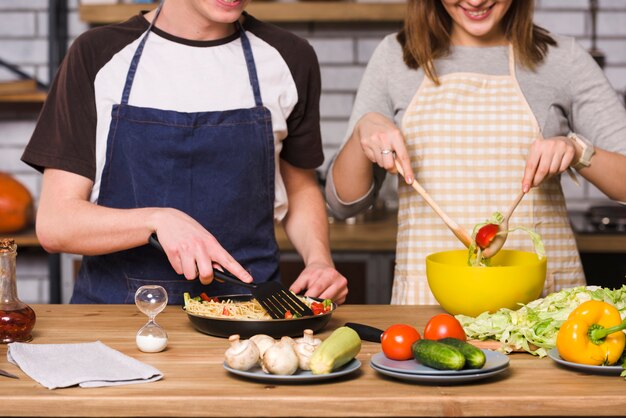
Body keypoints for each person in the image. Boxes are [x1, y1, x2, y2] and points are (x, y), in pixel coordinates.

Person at [21, 0, 348, 305]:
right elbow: (56, 224)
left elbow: (300, 187)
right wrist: (157, 220)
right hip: (117, 315)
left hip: (249, 313)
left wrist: (320, 260)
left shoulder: (290, 57)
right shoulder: (97, 54)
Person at [326, 0, 626, 305]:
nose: (475, 0)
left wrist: (576, 149)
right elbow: (343, 203)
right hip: (429, 306)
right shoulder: (396, 57)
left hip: (539, 306)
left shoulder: (562, 59)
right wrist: (364, 129)